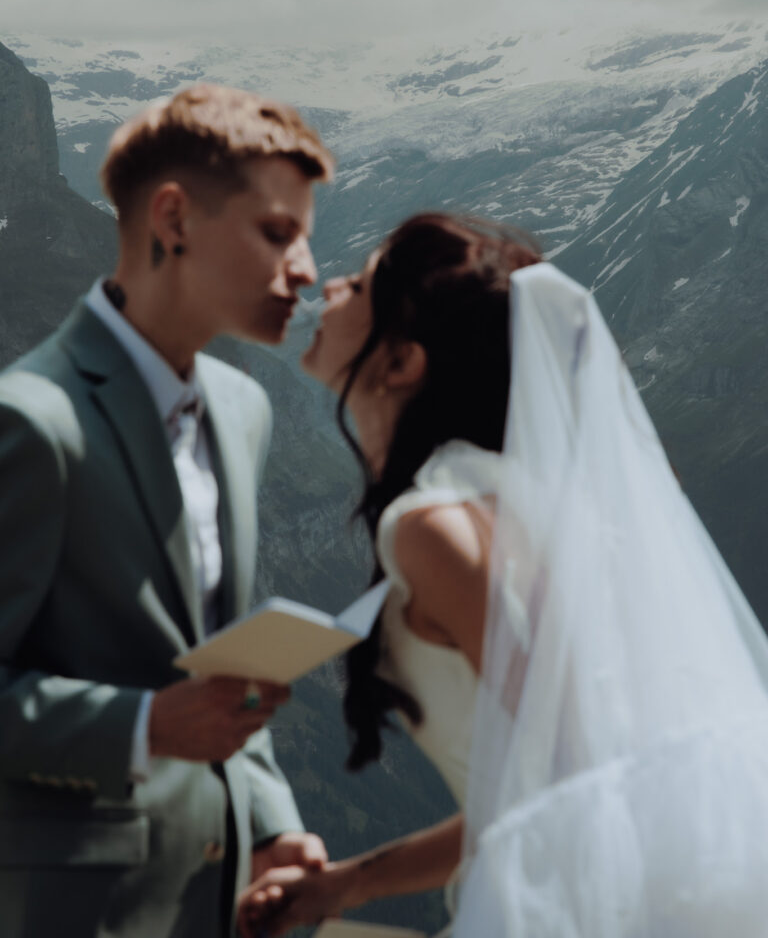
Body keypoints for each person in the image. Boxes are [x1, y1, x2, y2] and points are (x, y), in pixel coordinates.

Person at [239, 211, 768, 937]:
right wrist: (343, 888)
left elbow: (574, 777)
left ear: (401, 362)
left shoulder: (433, 528)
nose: (329, 282)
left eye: (359, 282)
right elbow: (532, 787)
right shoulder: (531, 510)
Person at [0, 84, 334, 938]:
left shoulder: (240, 409)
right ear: (175, 220)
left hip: (212, 907)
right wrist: (142, 723)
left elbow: (214, 671)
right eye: (276, 233)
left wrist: (272, 826)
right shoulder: (33, 422)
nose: (305, 271)